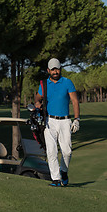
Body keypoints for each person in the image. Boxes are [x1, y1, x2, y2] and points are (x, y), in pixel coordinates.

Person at [35, 58, 80, 187]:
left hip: (65, 121)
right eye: (53, 69)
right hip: (49, 121)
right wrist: (38, 104)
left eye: (57, 68)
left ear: (60, 69)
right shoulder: (44, 84)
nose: (55, 71)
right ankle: (56, 179)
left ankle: (63, 172)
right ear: (48, 70)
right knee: (51, 151)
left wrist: (77, 119)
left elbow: (75, 101)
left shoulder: (67, 82)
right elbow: (37, 98)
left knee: (67, 152)